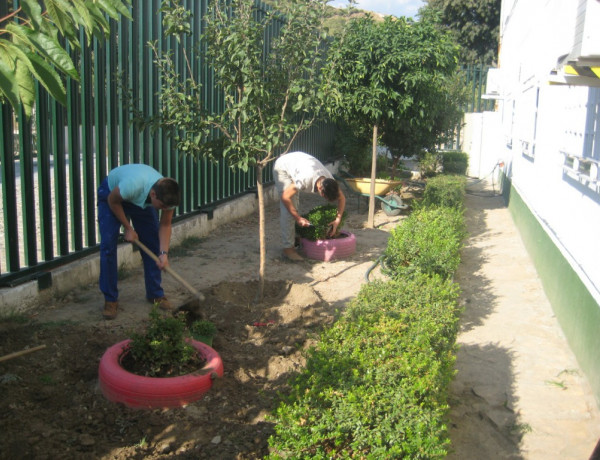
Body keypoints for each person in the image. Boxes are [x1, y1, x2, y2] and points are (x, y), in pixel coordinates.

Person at [97, 164, 180, 319]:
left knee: (152, 242)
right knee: (108, 245)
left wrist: (163, 254)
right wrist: (128, 227)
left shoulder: (168, 195)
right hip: (112, 194)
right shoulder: (132, 186)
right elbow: (113, 201)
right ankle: (110, 299)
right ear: (153, 194)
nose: (163, 209)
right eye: (162, 206)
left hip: (139, 197)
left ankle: (155, 294)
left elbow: (165, 224)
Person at [273, 151, 346, 261]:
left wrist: (337, 219)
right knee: (290, 208)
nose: (325, 199)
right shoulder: (305, 180)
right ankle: (288, 249)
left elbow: (342, 198)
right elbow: (285, 197)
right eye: (325, 197)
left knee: (294, 205)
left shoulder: (330, 181)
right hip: (283, 167)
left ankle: (295, 238)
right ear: (320, 189)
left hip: (299, 162)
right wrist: (298, 218)